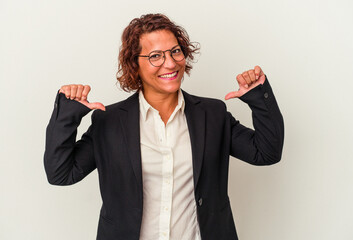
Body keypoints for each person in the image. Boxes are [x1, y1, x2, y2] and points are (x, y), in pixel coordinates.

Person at [44, 13, 284, 240]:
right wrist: (68, 114)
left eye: (175, 52)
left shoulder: (212, 114)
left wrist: (258, 97)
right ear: (134, 64)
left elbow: (266, 153)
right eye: (155, 56)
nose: (170, 63)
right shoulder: (110, 121)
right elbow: (61, 174)